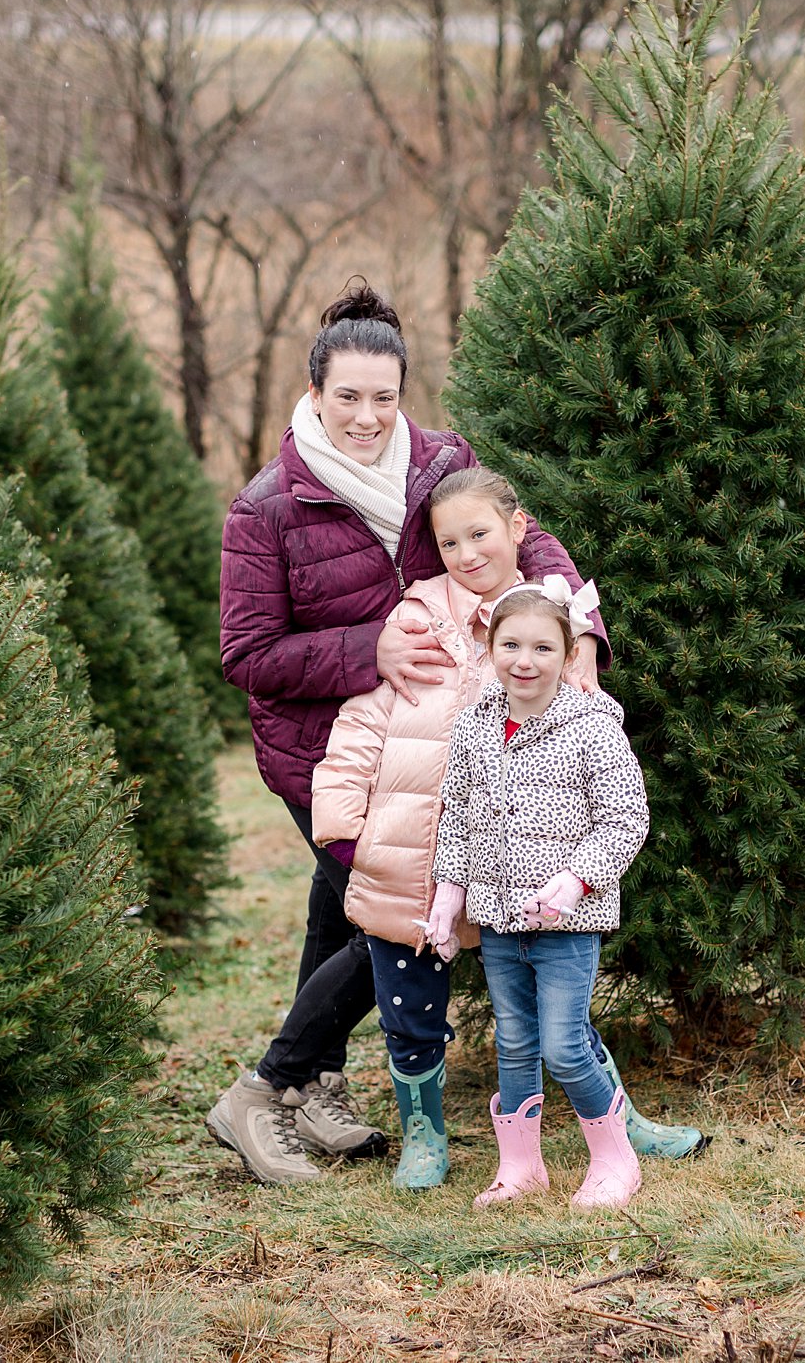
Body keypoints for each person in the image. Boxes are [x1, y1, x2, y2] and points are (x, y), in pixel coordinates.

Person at [209, 284, 606, 1186]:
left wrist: (578, 635)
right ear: (314, 392)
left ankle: (313, 1082)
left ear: (403, 393)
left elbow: (522, 544)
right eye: (347, 396)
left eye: (383, 397)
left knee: (342, 906)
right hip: (323, 750)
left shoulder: (440, 464)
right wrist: (369, 648)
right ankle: (263, 1090)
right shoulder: (265, 508)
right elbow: (248, 653)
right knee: (394, 919)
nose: (366, 417)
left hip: (433, 747)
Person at [309, 469, 707, 1192]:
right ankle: (437, 1140)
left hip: (548, 888)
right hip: (420, 859)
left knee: (559, 1026)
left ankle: (618, 1136)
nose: (465, 552)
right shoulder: (419, 621)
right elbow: (365, 727)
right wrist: (347, 838)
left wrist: (585, 642)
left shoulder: (560, 652)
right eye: (448, 541)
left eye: (479, 534)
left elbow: (618, 804)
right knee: (424, 1010)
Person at [426, 581, 652, 1210]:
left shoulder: (590, 726)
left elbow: (627, 817)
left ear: (567, 652)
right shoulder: (475, 724)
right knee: (515, 1042)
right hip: (499, 920)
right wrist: (450, 892)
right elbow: (461, 816)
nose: (525, 661)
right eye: (511, 645)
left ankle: (615, 1161)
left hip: (567, 925)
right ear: (490, 649)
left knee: (564, 1043)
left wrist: (576, 879)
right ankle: (521, 1167)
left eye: (543, 648)